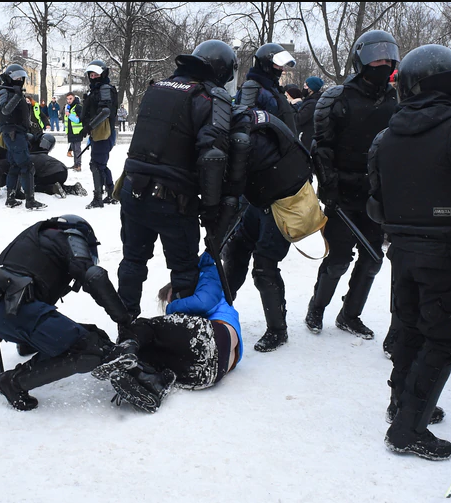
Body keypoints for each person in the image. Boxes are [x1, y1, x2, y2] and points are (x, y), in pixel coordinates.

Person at [367, 44, 451, 461]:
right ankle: (408, 429)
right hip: (442, 248)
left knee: (412, 326)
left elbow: (376, 199)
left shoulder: (388, 133)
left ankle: (402, 402)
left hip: (402, 247)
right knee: (442, 337)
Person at [117, 39, 237, 317]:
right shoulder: (209, 97)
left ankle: (126, 325)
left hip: (133, 189)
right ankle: (181, 329)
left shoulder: (158, 87)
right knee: (183, 267)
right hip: (173, 198)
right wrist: (210, 206)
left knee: (133, 261)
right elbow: (213, 157)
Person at [0, 215, 135, 410]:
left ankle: (28, 345)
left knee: (96, 336)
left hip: (3, 316)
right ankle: (13, 382)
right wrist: (124, 320)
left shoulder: (38, 238)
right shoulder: (70, 236)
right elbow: (93, 276)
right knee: (90, 349)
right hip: (16, 313)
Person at [305, 29, 400, 339]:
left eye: (388, 58)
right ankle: (317, 307)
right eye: (377, 58)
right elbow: (323, 147)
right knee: (337, 259)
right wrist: (329, 187)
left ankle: (350, 314)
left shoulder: (396, 99)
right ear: (362, 60)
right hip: (342, 193)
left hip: (375, 195)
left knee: (373, 259)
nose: (383, 64)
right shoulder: (338, 97)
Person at [220, 107, 314, 352]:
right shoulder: (245, 122)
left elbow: (232, 183)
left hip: (286, 202)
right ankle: (221, 308)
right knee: (237, 248)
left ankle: (277, 330)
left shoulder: (244, 138)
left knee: (264, 265)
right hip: (262, 199)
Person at [110, 252, 243, 412]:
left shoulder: (208, 272)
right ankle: (151, 384)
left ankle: (122, 348)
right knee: (157, 355)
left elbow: (203, 302)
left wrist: (171, 308)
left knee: (145, 326)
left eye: (170, 297)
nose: (172, 304)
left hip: (214, 336)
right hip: (210, 373)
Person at [0, 132, 87, 200]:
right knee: (23, 176)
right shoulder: (19, 142)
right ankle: (16, 193)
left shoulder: (10, 139)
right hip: (59, 170)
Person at [0, 64, 47, 210]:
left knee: (14, 166)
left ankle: (11, 198)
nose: (19, 80)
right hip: (13, 133)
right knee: (27, 166)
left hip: (17, 133)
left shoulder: (13, 91)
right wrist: (17, 96)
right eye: (16, 78)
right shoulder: (6, 92)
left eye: (21, 78)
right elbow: (5, 110)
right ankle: (30, 200)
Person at [80, 60, 119, 209]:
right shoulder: (95, 89)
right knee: (101, 164)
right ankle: (110, 192)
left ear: (103, 74)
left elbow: (105, 111)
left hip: (103, 131)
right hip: (99, 132)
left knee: (96, 164)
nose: (94, 76)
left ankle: (98, 198)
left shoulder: (104, 88)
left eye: (96, 74)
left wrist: (89, 126)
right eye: (91, 74)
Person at [236, 43, 297, 134]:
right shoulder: (252, 87)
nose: (282, 69)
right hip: (262, 146)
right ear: (267, 64)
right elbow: (245, 122)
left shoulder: (272, 88)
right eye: (278, 65)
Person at [296, 76, 323, 151]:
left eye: (306, 86)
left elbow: (299, 119)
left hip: (306, 138)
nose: (304, 88)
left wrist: (291, 107)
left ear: (311, 89)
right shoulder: (309, 101)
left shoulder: (312, 103)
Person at [65, 92, 84, 172]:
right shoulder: (68, 107)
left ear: (74, 98)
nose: (69, 101)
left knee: (77, 149)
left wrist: (70, 115)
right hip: (70, 131)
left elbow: (79, 119)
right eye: (67, 99)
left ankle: (78, 165)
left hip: (77, 131)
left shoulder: (78, 107)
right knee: (73, 148)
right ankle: (75, 164)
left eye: (70, 99)